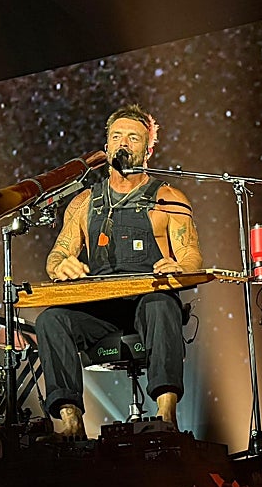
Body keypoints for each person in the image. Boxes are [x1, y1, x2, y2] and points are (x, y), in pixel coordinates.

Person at [36, 104, 203, 438]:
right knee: (50, 319)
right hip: (101, 309)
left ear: (148, 149)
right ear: (107, 146)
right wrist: (60, 265)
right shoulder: (84, 201)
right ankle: (71, 422)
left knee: (160, 304)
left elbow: (191, 254)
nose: (124, 143)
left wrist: (179, 266)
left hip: (148, 303)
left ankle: (166, 415)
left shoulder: (168, 197)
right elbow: (57, 254)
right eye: (117, 136)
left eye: (133, 137)